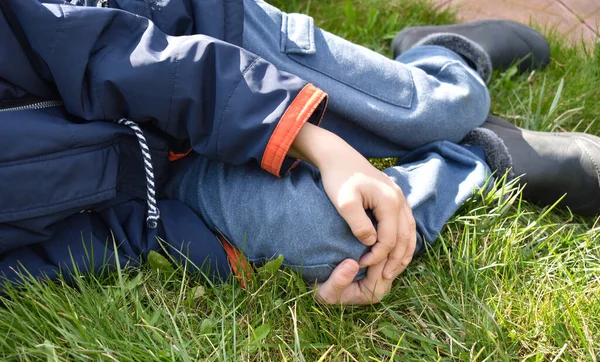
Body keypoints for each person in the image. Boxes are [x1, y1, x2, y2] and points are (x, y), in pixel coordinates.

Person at [0, 0, 598, 305]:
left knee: (433, 108)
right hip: (159, 177)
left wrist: (314, 140)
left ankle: (448, 55)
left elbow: (128, 59)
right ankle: (483, 155)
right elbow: (72, 244)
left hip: (202, 52)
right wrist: (216, 247)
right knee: (341, 244)